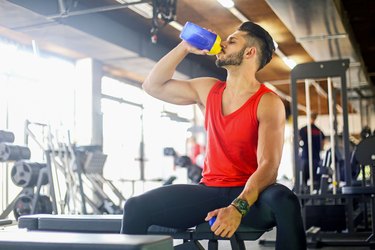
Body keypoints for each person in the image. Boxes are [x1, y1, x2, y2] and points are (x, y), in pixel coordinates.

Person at [121, 21, 306, 249]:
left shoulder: (267, 102)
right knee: (135, 207)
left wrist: (238, 207)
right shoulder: (208, 89)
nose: (223, 43)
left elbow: (268, 166)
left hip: (251, 196)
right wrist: (185, 47)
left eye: (232, 41)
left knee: (285, 200)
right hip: (209, 191)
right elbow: (152, 86)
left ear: (249, 52)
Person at [299, 112, 325, 190]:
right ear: (315, 118)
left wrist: (302, 146)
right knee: (316, 182)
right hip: (315, 158)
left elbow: (297, 141)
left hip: (306, 157)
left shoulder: (303, 129)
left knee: (304, 183)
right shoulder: (319, 131)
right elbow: (322, 145)